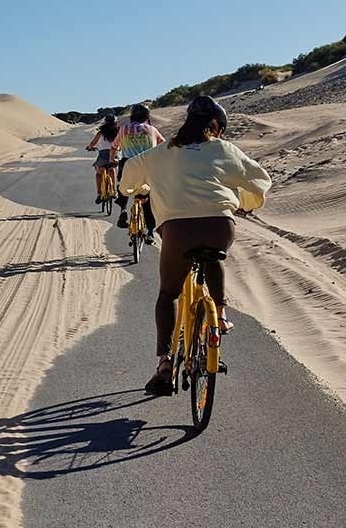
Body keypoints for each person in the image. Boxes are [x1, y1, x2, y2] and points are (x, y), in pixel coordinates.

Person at [116, 94, 271, 396]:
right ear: (217, 126)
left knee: (168, 294)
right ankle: (221, 315)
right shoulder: (226, 149)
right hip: (220, 227)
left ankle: (164, 365)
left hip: (177, 230)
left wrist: (138, 188)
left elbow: (129, 177)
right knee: (214, 256)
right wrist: (244, 203)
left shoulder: (162, 152)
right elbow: (259, 178)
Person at [111, 103, 165, 236]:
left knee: (123, 187)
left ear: (132, 116)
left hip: (128, 163)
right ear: (147, 116)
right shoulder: (152, 130)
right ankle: (151, 231)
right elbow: (164, 146)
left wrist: (113, 159)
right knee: (148, 195)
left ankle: (123, 211)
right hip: (148, 165)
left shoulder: (124, 129)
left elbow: (114, 146)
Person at [85, 114, 119, 204]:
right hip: (114, 155)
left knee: (99, 174)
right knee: (112, 170)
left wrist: (90, 147)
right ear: (115, 123)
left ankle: (99, 194)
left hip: (103, 156)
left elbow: (93, 143)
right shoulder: (118, 132)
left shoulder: (100, 133)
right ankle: (114, 191)